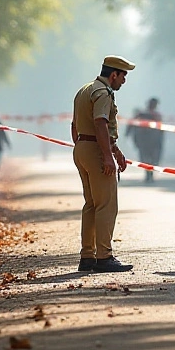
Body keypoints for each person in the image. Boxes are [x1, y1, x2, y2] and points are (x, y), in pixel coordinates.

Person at [71, 55, 135, 273]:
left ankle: (87, 256)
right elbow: (100, 123)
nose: (124, 81)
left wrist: (114, 150)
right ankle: (104, 256)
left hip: (82, 148)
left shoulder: (84, 90)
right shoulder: (103, 92)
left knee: (90, 204)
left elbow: (75, 125)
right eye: (123, 76)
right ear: (113, 74)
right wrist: (107, 156)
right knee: (106, 204)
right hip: (96, 151)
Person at [130, 97, 164, 181]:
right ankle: (148, 174)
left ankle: (149, 174)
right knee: (147, 158)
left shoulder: (154, 115)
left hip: (151, 141)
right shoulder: (143, 114)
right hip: (146, 141)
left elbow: (161, 130)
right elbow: (132, 124)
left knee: (149, 158)